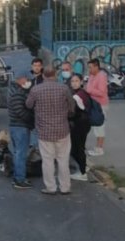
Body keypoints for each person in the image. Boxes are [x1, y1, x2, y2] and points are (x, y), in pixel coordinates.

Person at [26, 67, 73, 195]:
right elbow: (71, 106)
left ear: (43, 75)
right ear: (55, 75)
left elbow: (28, 105)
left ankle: (51, 187)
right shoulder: (64, 88)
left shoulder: (36, 90)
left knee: (47, 161)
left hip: (44, 131)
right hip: (62, 130)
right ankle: (65, 187)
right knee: (63, 160)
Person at [8, 70, 35, 189]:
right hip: (20, 127)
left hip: (17, 127)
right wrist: (31, 119)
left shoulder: (15, 91)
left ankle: (18, 177)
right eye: (27, 79)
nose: (29, 82)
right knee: (21, 154)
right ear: (21, 79)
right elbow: (20, 111)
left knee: (18, 153)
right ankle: (20, 179)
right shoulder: (18, 93)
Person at [68, 74, 91, 181]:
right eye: (72, 81)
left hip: (79, 125)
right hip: (83, 124)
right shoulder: (82, 93)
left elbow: (73, 112)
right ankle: (82, 168)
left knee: (77, 148)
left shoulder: (78, 96)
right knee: (78, 147)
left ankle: (82, 172)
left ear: (81, 82)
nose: (74, 83)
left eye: (76, 81)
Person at [85, 58, 109, 156]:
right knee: (95, 126)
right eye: (88, 67)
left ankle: (100, 149)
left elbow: (102, 92)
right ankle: (97, 147)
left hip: (101, 105)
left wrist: (89, 90)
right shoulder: (91, 76)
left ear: (96, 66)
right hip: (93, 104)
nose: (89, 69)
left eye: (91, 67)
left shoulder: (102, 76)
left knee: (100, 126)